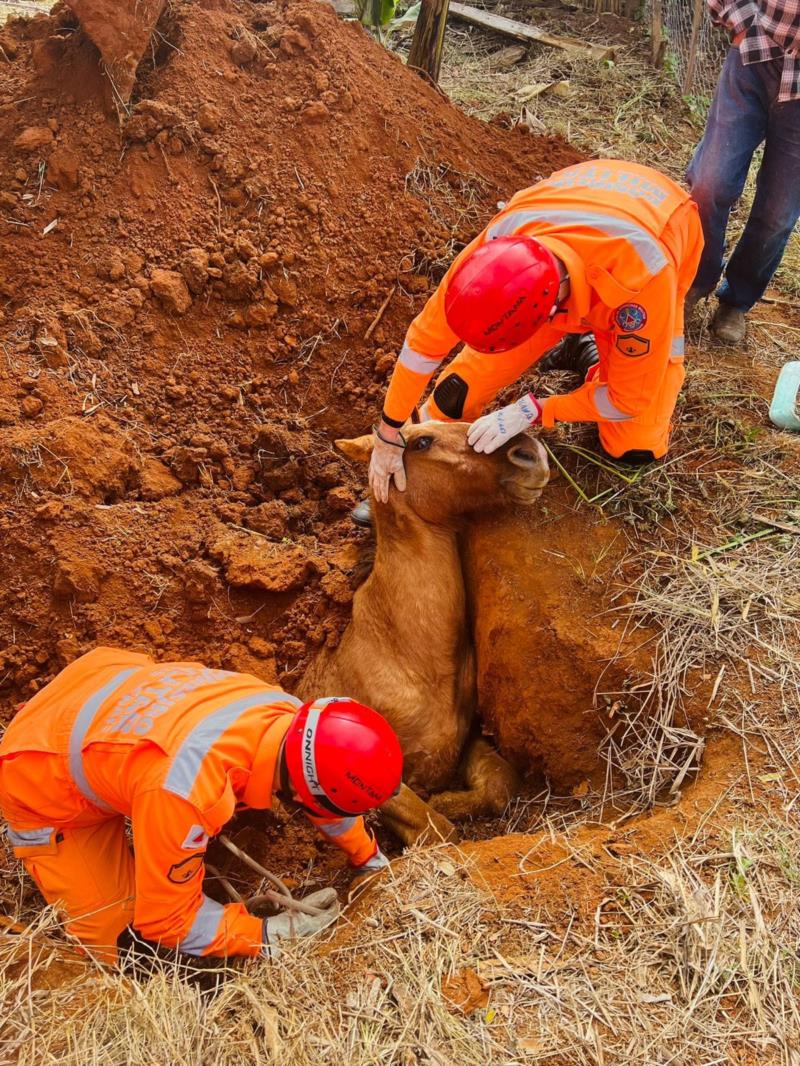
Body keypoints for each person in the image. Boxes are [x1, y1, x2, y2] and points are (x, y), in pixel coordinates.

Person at [0, 647, 402, 963]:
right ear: (302, 795)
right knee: (111, 937)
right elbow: (167, 922)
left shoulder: (284, 713)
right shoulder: (186, 791)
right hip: (38, 772)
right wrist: (266, 934)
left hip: (99, 689)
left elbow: (320, 790)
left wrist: (368, 858)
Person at [365, 159, 704, 512]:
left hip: (661, 224)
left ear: (551, 315)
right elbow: (421, 347)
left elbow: (625, 402)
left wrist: (536, 409)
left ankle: (590, 352)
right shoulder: (493, 255)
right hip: (576, 201)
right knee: (454, 398)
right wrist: (390, 432)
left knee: (634, 446)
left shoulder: (644, 283)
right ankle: (410, 464)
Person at [686, 0, 800, 344]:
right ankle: (695, 280)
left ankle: (736, 300)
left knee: (778, 214)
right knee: (710, 182)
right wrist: (741, 23)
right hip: (756, 52)